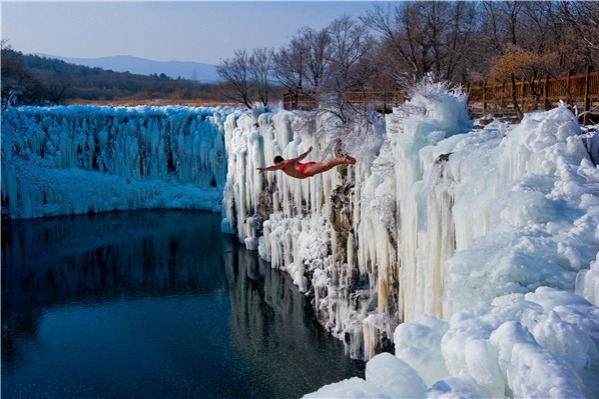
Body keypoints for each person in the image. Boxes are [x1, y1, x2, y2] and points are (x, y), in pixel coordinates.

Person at [257, 146, 356, 179]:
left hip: (304, 170)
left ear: (278, 162)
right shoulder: (290, 161)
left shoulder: (283, 164)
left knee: (324, 166)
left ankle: (343, 159)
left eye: (277, 164)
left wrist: (264, 169)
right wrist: (308, 152)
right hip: (305, 168)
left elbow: (273, 168)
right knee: (325, 167)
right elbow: (300, 157)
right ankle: (345, 161)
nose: (277, 166)